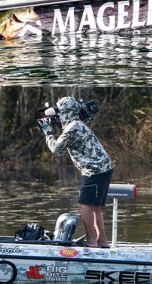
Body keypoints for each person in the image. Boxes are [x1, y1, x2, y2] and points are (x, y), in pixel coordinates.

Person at [41, 96, 114, 248]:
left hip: (94, 169)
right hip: (102, 167)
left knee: (84, 205)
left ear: (65, 112)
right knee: (94, 206)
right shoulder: (76, 124)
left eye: (60, 112)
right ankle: (102, 240)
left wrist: (48, 132)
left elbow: (56, 149)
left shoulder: (73, 128)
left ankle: (93, 241)